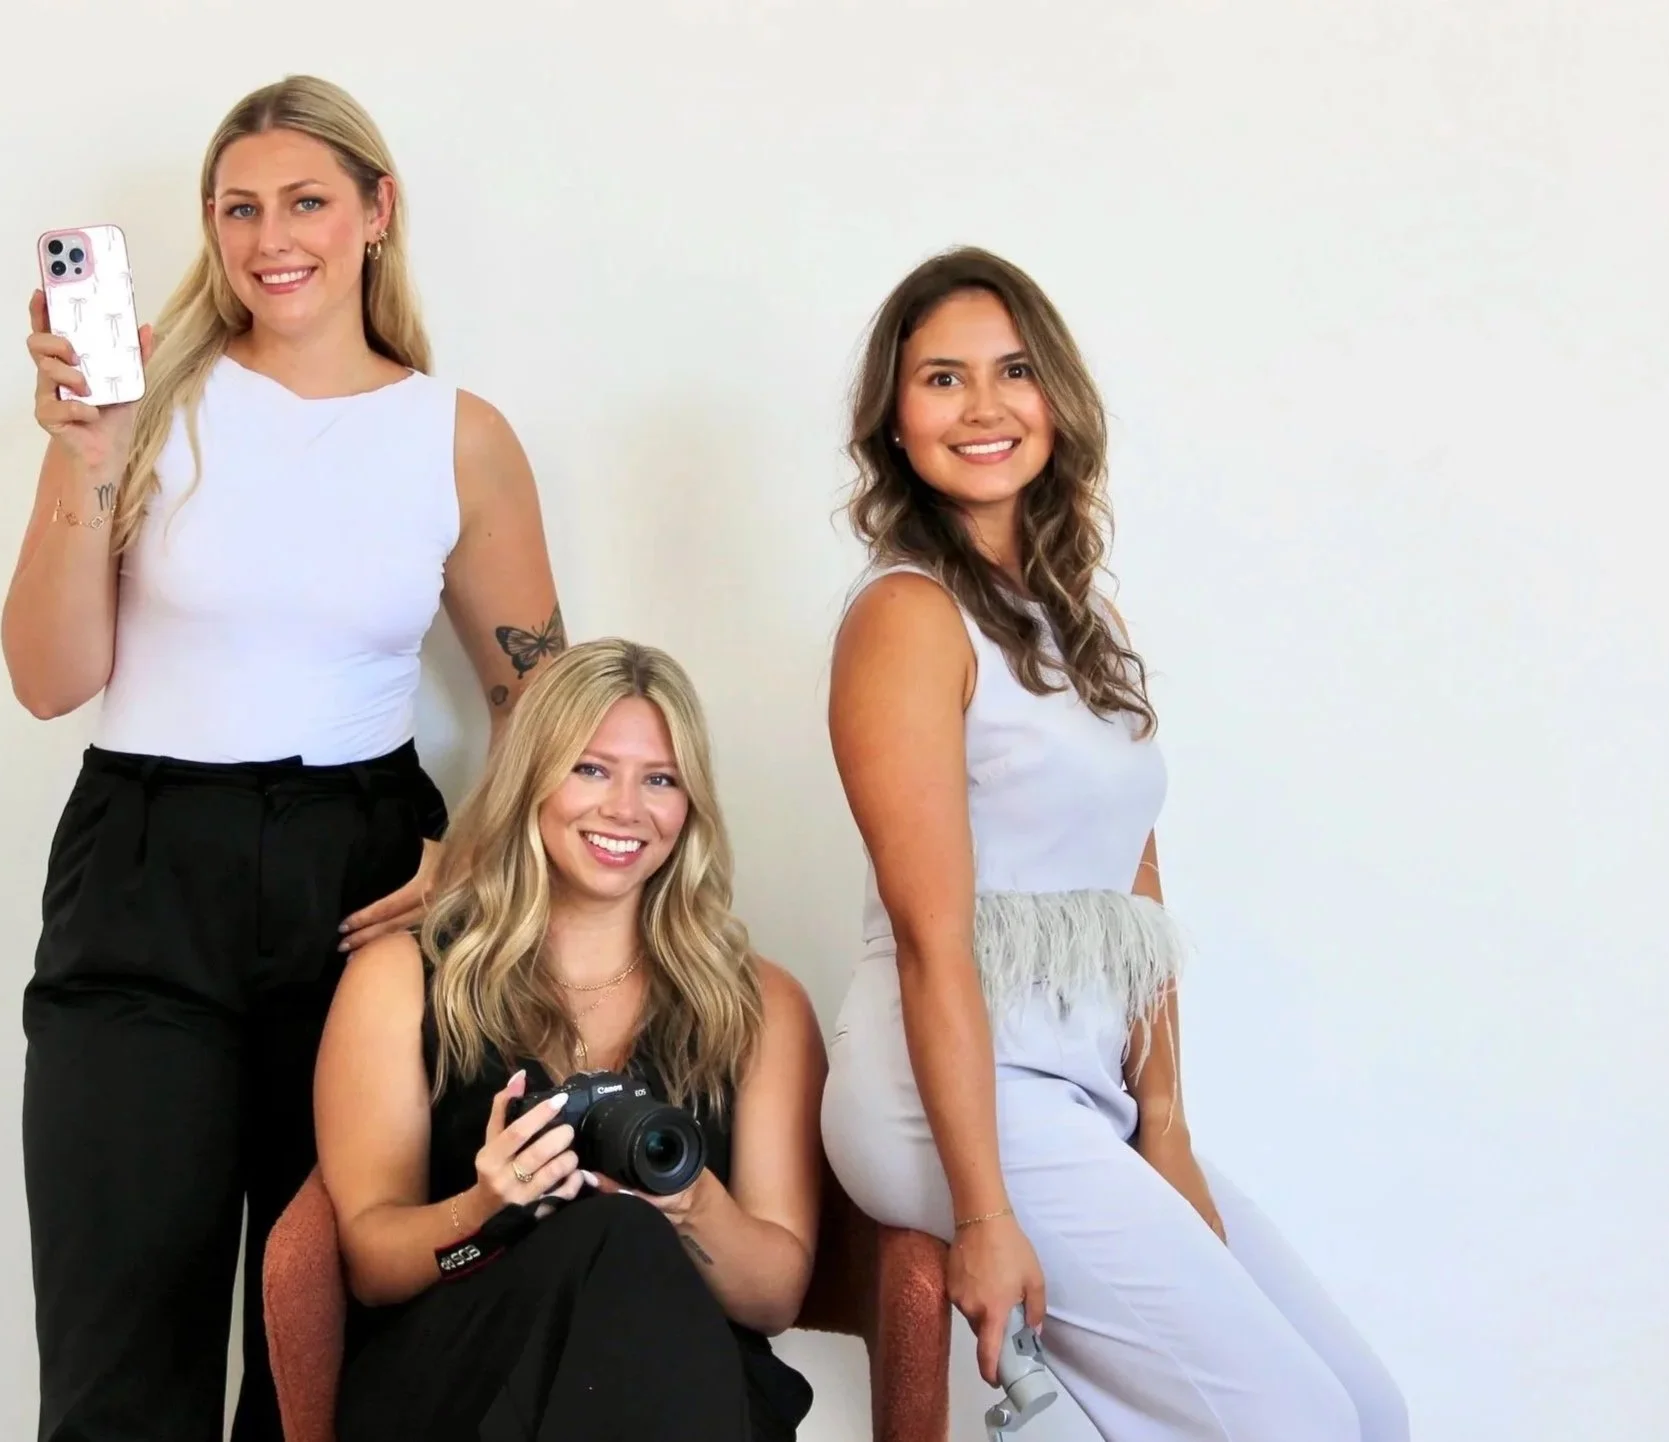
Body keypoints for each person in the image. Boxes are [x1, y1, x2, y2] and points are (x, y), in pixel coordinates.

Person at [1, 75, 565, 1442]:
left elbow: (544, 699)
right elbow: (46, 678)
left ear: (377, 212)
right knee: (118, 1348)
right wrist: (88, 457)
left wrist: (476, 862)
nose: (271, 237)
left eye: (305, 200)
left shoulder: (457, 435)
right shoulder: (144, 408)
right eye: (238, 207)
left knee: (326, 1342)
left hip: (356, 876)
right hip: (143, 867)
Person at [817, 246, 1410, 1442]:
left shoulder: (1079, 620)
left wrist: (1168, 1129)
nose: (984, 406)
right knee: (1296, 1424)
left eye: (1014, 370)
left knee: (1366, 1409)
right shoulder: (905, 618)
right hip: (949, 1100)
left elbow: (1136, 888)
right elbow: (936, 941)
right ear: (893, 418)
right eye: (942, 378)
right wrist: (982, 1214)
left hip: (1078, 1093)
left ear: (1058, 399)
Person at [314, 638, 825, 1442]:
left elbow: (772, 1299)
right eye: (591, 769)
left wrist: (687, 1205)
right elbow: (372, 1269)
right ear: (531, 780)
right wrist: (484, 1210)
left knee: (627, 1240)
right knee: (609, 1238)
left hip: (683, 1384)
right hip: (466, 1376)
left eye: (659, 779)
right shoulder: (403, 979)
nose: (625, 809)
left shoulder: (760, 1006)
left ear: (688, 805)